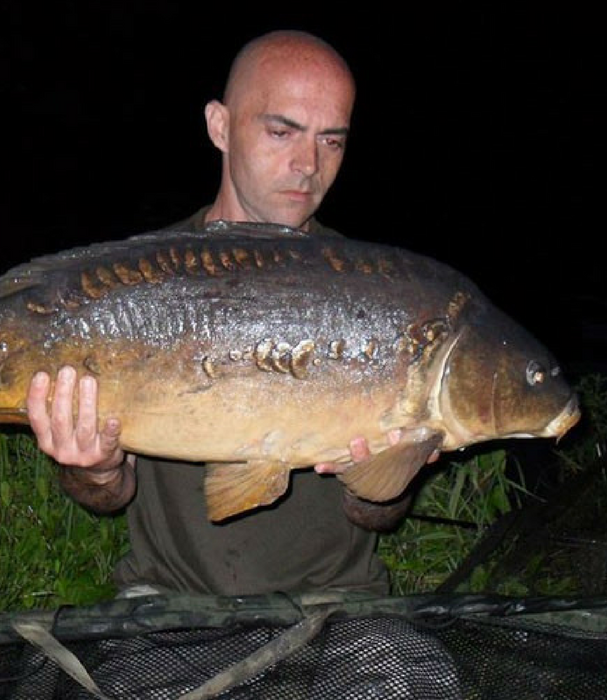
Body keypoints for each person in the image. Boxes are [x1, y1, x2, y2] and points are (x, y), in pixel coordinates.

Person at [25, 30, 432, 596]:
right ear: (220, 126)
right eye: (281, 131)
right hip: (169, 598)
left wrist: (379, 484)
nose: (307, 164)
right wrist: (94, 469)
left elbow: (378, 518)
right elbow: (107, 498)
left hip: (339, 604)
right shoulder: (140, 278)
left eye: (331, 141)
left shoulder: (383, 294)